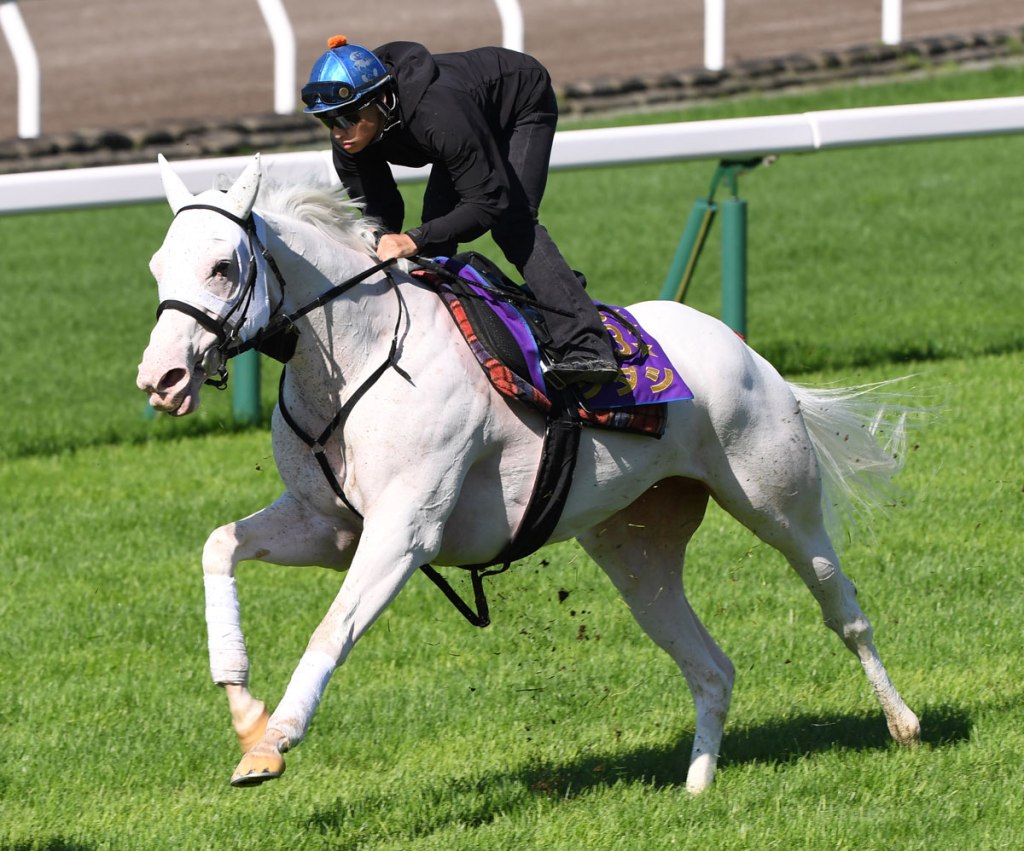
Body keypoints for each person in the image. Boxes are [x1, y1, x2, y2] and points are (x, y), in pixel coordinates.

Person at [301, 35, 620, 387]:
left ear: (381, 100)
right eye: (327, 120)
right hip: (466, 121)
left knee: (513, 222)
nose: (338, 131)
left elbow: (488, 202)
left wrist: (412, 239)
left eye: (347, 117)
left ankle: (588, 345)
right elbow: (380, 212)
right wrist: (383, 241)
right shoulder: (350, 139)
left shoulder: (438, 115)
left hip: (519, 102)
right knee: (434, 238)